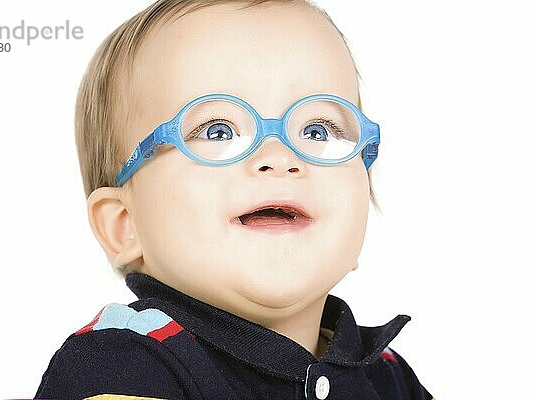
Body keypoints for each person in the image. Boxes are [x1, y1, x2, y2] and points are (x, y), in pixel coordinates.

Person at [35, 1, 434, 399]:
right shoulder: (121, 363)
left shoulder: (390, 378)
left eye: (317, 131)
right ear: (125, 224)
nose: (280, 157)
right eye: (218, 131)